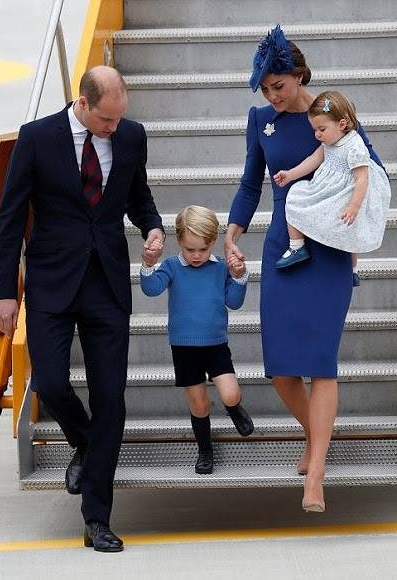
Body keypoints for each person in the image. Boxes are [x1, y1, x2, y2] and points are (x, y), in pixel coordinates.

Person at [0, 65, 164, 552]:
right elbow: (10, 218)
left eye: (119, 119)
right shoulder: (36, 137)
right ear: (82, 104)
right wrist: (6, 291)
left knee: (111, 397)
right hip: (51, 282)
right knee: (50, 384)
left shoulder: (130, 136)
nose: (114, 128)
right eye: (106, 120)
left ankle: (97, 518)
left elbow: (139, 196)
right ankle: (87, 445)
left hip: (106, 284)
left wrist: (153, 228)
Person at [224, 25, 385, 513]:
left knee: (319, 363)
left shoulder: (332, 113)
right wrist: (233, 233)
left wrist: (354, 226)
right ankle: (319, 440)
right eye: (264, 89)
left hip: (329, 248)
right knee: (280, 369)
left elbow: (371, 172)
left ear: (298, 75)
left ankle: (315, 476)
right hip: (284, 244)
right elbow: (250, 183)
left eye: (278, 86)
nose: (272, 96)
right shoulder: (261, 120)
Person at [140, 205, 254, 475]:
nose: (196, 255)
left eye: (203, 249)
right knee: (199, 404)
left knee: (231, 393)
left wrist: (239, 277)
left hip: (216, 345)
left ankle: (233, 408)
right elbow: (151, 289)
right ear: (179, 241)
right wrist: (148, 264)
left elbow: (234, 302)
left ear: (213, 241)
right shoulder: (172, 266)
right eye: (189, 249)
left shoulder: (221, 267)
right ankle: (205, 450)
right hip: (184, 348)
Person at [273, 90, 390, 282]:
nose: (317, 134)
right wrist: (290, 174)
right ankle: (297, 246)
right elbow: (313, 160)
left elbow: (362, 178)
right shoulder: (329, 142)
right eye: (315, 130)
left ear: (342, 124)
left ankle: (352, 270)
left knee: (352, 228)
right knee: (295, 194)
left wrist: (354, 206)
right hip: (328, 187)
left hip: (349, 192)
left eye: (321, 129)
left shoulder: (354, 146)